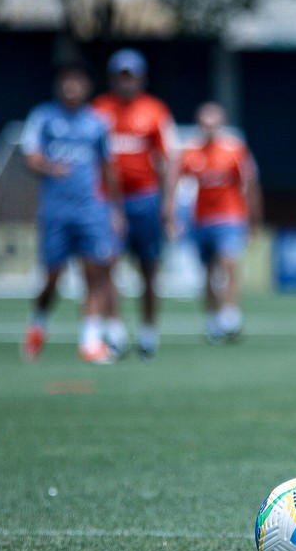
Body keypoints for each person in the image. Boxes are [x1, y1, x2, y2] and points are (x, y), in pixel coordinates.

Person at [21, 62, 123, 364]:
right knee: (53, 276)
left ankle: (90, 341)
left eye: (77, 83)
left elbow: (108, 167)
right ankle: (38, 321)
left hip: (91, 210)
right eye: (67, 83)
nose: (72, 88)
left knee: (95, 272)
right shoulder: (44, 117)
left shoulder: (97, 122)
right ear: (59, 86)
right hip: (56, 212)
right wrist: (50, 167)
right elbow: (30, 156)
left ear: (86, 88)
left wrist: (116, 209)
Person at [92, 49, 176, 359]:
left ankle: (148, 334)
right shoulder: (99, 110)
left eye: (132, 76)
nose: (126, 82)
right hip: (106, 201)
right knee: (107, 265)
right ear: (113, 78)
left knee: (149, 268)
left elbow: (169, 159)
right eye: (121, 76)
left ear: (141, 78)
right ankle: (114, 332)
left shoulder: (155, 111)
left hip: (145, 199)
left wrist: (167, 203)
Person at [172, 102, 262, 342]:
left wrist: (254, 221)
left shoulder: (234, 150)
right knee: (207, 272)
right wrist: (173, 217)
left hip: (230, 216)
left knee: (229, 262)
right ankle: (213, 318)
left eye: (213, 123)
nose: (208, 128)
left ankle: (230, 314)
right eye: (204, 124)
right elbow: (174, 183)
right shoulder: (190, 153)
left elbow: (251, 185)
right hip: (201, 219)